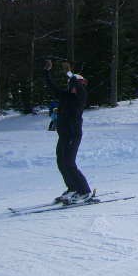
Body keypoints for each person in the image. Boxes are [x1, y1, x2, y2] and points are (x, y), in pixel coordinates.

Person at [44, 59, 92, 204]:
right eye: (71, 85)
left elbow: (78, 84)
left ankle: (84, 191)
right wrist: (47, 72)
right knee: (61, 161)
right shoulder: (66, 96)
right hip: (64, 135)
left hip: (73, 134)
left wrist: (69, 73)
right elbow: (52, 87)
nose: (72, 87)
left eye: (74, 85)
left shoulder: (81, 96)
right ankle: (72, 188)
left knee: (69, 162)